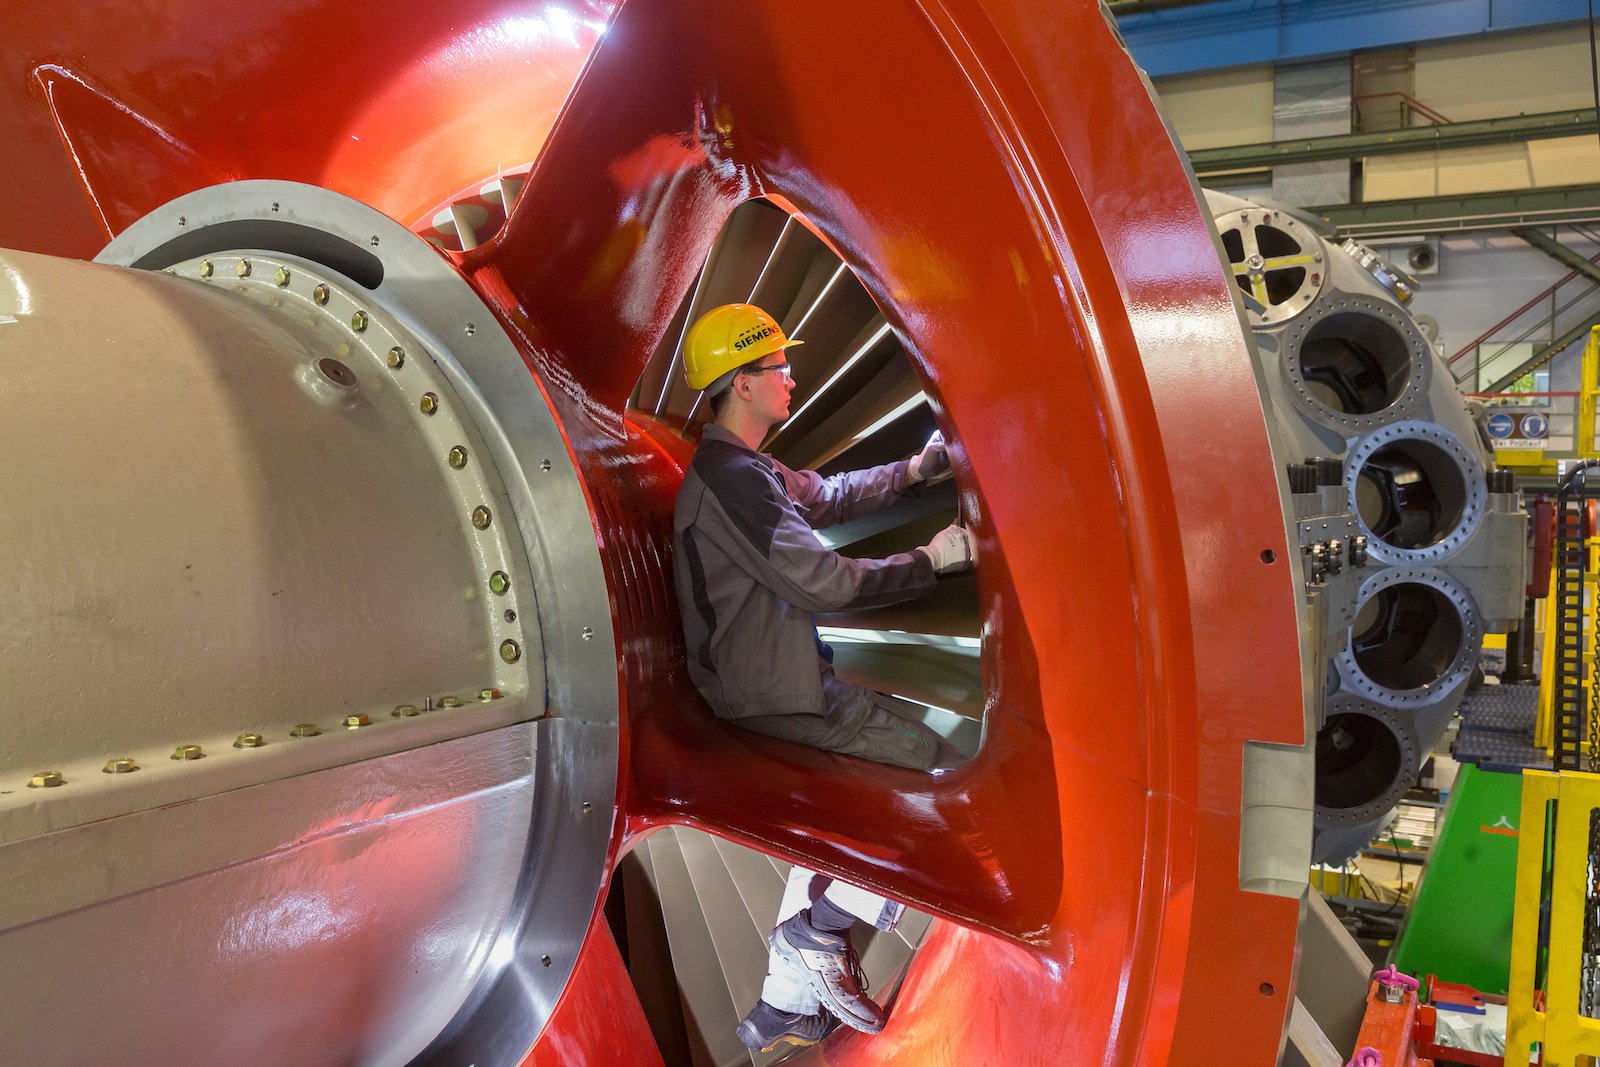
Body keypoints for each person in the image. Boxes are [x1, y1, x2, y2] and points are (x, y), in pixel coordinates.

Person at [670, 303, 975, 1054]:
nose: (791, 377)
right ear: (742, 383)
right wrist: (930, 564)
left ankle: (778, 1008)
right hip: (774, 694)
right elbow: (824, 585)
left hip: (764, 683)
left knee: (841, 826)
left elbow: (826, 497)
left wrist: (917, 468)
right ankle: (818, 930)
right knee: (939, 779)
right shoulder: (731, 479)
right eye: (778, 367)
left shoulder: (746, 469)